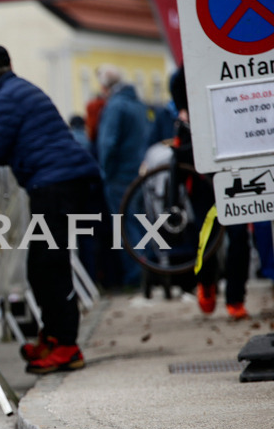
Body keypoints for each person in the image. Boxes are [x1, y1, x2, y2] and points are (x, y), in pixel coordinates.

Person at [0, 44, 102, 374]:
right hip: (62, 181)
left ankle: (66, 346)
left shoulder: (5, 97)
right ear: (10, 65)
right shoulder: (21, 89)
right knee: (43, 265)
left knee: (50, 266)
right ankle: (53, 337)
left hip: (56, 184)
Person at [168, 66, 250, 320]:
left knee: (238, 235)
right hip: (199, 168)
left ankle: (236, 297)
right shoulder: (184, 74)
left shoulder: (232, 67)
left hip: (234, 162)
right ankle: (207, 283)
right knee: (207, 233)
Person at [96, 64, 152, 288]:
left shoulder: (115, 107)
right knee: (140, 222)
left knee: (125, 226)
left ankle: (136, 275)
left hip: (119, 176)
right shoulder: (138, 105)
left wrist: (105, 172)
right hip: (139, 173)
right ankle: (149, 268)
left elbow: (107, 144)